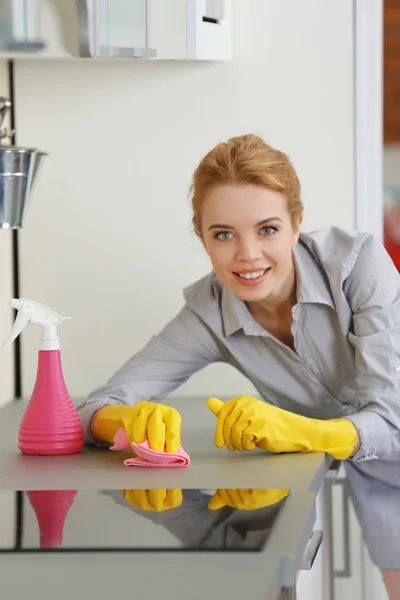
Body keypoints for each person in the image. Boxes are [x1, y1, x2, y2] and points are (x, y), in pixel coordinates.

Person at [78, 134, 400, 598]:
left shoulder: (356, 266)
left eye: (267, 229)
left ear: (296, 225)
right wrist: (124, 421)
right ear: (202, 238)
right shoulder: (209, 312)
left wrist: (302, 431)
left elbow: (389, 419)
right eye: (223, 234)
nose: (247, 255)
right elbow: (98, 407)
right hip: (364, 475)